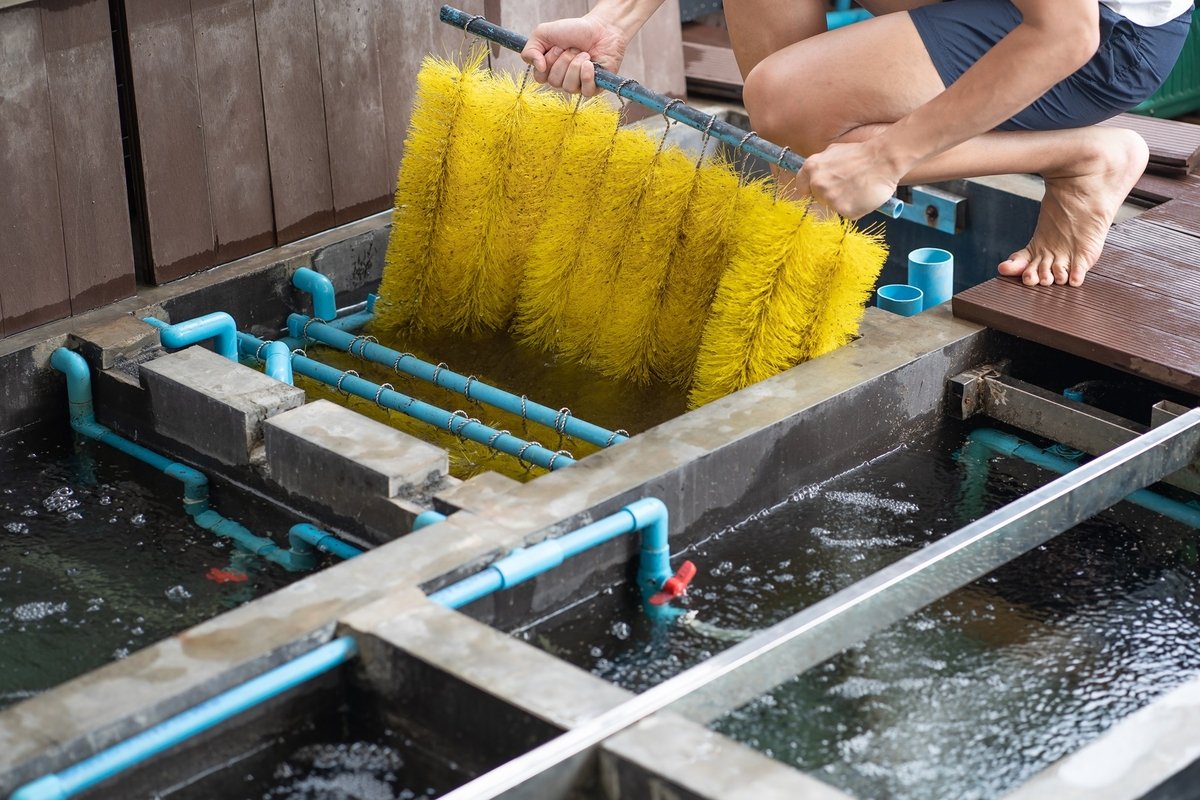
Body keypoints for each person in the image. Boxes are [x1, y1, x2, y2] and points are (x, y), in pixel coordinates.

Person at [520, 0, 1194, 287]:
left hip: (1102, 39)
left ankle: (1084, 156)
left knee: (788, 97)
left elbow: (1064, 34)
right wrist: (612, 21)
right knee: (792, 112)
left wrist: (887, 156)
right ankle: (799, 227)